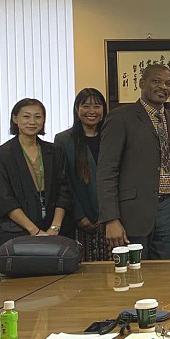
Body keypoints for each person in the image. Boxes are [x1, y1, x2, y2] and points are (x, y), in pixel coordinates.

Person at [97, 64, 170, 259]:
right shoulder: (120, 117)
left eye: (168, 84)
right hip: (132, 212)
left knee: (165, 271)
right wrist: (111, 219)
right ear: (142, 83)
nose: (163, 87)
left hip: (168, 207)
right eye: (157, 81)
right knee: (133, 270)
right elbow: (106, 171)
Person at [0, 98, 72, 246]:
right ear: (15, 118)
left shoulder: (55, 151)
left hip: (55, 230)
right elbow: (4, 199)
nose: (32, 122)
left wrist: (54, 227)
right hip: (17, 232)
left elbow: (64, 191)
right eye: (26, 116)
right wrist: (35, 231)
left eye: (38, 116)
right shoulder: (2, 155)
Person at [54, 88, 110, 261]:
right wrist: (79, 216)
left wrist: (111, 215)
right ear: (77, 110)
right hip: (78, 219)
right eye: (85, 106)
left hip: (110, 218)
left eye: (97, 106)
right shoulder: (64, 140)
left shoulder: (111, 137)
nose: (91, 111)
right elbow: (64, 182)